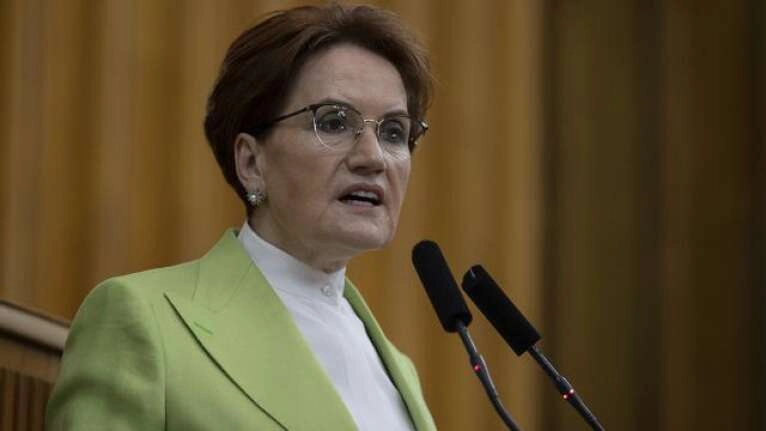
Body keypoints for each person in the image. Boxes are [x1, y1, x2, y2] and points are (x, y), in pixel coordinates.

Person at [45, 3, 436, 431]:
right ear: (251, 162)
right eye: (334, 122)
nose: (373, 158)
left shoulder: (398, 369)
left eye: (394, 132)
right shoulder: (144, 321)